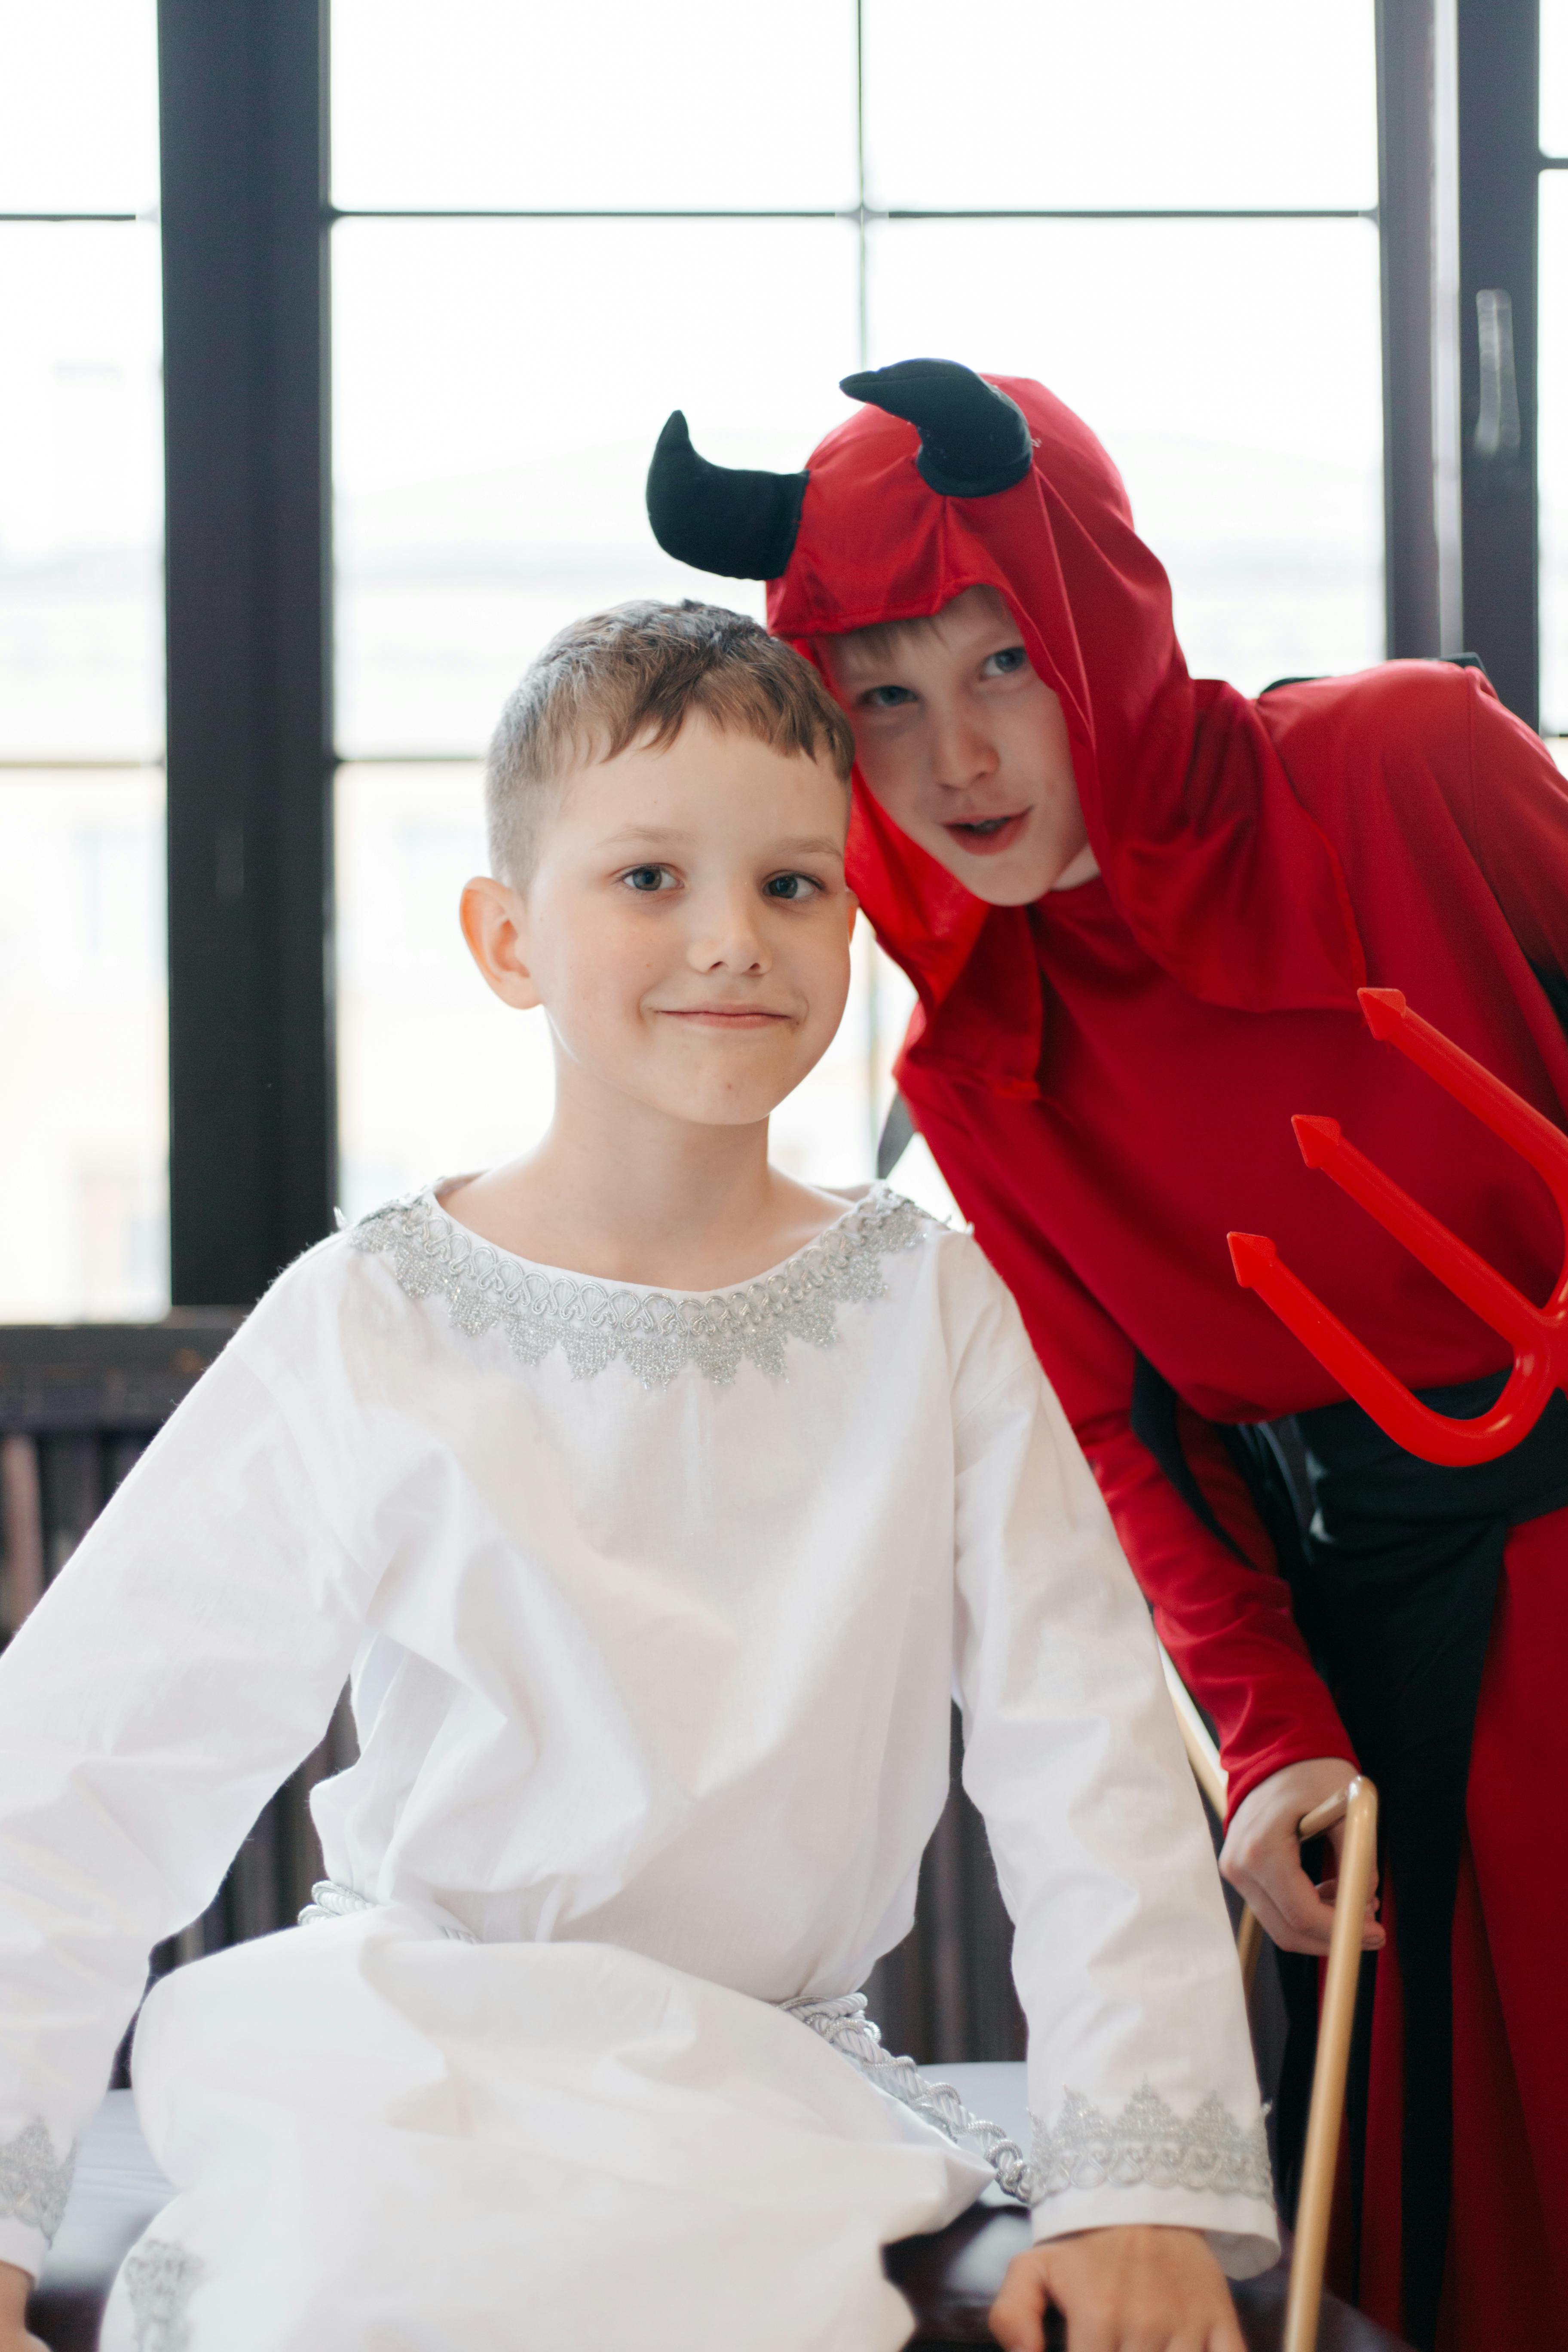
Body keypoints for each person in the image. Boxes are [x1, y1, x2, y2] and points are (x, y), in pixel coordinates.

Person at [0, 601, 1275, 2352]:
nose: (732, 941)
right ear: (508, 937)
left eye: (794, 886)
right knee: (349, 2289)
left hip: (767, 2081)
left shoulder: (931, 1310)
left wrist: (1140, 2190)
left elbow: (1089, 1754)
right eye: (650, 880)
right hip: (406, 2052)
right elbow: (84, 1763)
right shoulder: (372, 1315)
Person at [644, 361, 1568, 2352]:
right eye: (882, 697)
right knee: (1416, 2236)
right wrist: (1268, 1735)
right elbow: (1126, 1438)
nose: (958, 754)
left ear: (1105, 625)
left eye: (1003, 661)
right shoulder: (974, 1057)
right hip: (1376, 1647)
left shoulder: (1407, 767)